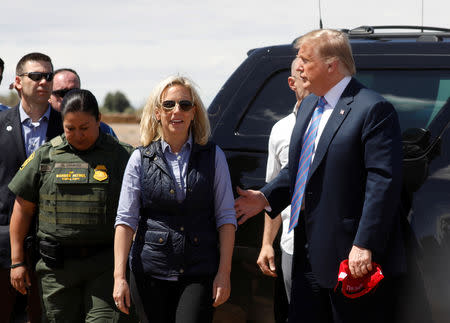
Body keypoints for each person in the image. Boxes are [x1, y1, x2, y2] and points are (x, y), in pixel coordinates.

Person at [235, 29, 406, 323]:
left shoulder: (373, 109)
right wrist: (264, 196)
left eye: (304, 59)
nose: (298, 66)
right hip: (306, 252)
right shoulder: (310, 106)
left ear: (332, 65)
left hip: (350, 257)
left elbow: (383, 184)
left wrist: (364, 243)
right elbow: (301, 168)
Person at [113, 75, 236, 322]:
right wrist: (119, 278)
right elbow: (126, 221)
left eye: (185, 104)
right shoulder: (140, 158)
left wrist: (224, 273)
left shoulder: (213, 156)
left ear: (194, 112)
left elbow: (226, 217)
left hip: (199, 271)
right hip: (149, 272)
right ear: (157, 112)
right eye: (168, 104)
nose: (176, 110)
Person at [8, 89, 133, 322]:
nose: (78, 135)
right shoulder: (45, 156)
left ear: (99, 120)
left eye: (85, 128)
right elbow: (22, 208)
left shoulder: (121, 156)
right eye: (70, 128)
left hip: (105, 268)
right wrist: (17, 262)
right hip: (57, 272)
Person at [0, 52, 63, 323]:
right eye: (35, 76)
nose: (43, 82)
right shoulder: (0, 126)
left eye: (48, 76)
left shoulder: (67, 127)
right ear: (17, 82)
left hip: (53, 245)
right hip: (3, 242)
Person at [256, 57, 309, 322]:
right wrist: (267, 243)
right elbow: (272, 194)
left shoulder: (339, 123)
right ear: (292, 82)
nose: (309, 76)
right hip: (290, 245)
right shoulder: (280, 131)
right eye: (303, 72)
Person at [49, 68, 118, 138]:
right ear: (49, 96)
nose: (69, 97)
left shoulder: (102, 130)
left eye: (74, 92)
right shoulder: (41, 128)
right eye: (62, 93)